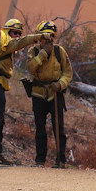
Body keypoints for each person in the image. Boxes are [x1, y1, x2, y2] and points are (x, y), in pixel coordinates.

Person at [0, 19, 52, 165]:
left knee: (0, 119)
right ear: (7, 32)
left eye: (18, 33)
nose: (17, 36)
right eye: (14, 33)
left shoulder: (5, 45)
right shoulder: (5, 44)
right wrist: (39, 36)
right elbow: (22, 42)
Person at [26, 21, 73, 168]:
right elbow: (31, 69)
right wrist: (43, 54)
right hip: (38, 93)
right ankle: (40, 160)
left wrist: (60, 84)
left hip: (55, 93)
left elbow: (67, 72)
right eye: (45, 36)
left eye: (51, 36)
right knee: (40, 128)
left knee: (58, 128)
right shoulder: (33, 52)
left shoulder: (60, 51)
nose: (49, 39)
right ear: (39, 37)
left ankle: (61, 160)